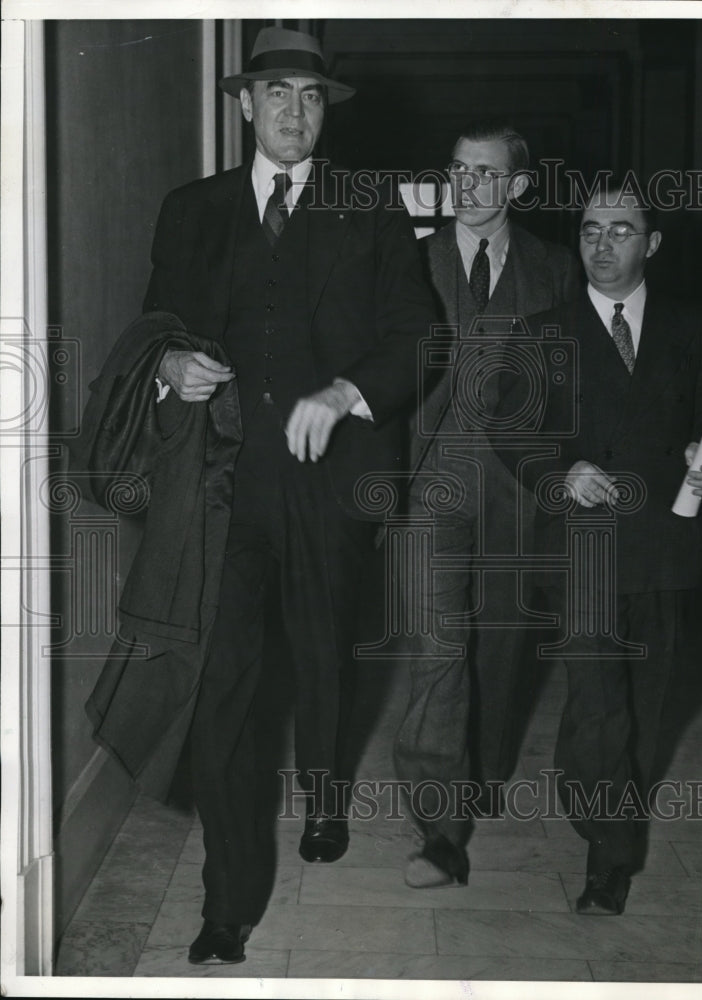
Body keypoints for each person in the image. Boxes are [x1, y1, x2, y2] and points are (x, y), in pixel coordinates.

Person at [82, 26, 436, 964]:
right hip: (223, 491)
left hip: (330, 487)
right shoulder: (191, 210)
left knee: (323, 656)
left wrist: (344, 391)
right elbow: (159, 323)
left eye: (311, 97)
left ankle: (324, 794)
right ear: (242, 104)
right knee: (224, 687)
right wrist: (172, 363)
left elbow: (417, 334)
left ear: (326, 109)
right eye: (275, 94)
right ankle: (227, 901)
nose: (294, 113)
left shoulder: (371, 207)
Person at [492, 182, 702, 914]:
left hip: (665, 541)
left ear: (651, 243)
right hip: (582, 546)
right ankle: (611, 854)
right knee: (599, 704)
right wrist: (562, 471)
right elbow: (510, 432)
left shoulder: (696, 327)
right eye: (591, 229)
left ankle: (601, 807)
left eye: (621, 230)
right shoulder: (542, 331)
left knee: (647, 706)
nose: (602, 244)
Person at [393, 120, 578, 888]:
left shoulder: (557, 269)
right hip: (433, 476)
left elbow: (578, 381)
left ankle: (484, 773)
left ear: (518, 186)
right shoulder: (412, 261)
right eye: (460, 170)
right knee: (440, 648)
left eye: (488, 173)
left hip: (519, 487)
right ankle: (441, 827)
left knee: (503, 644)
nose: (470, 187)